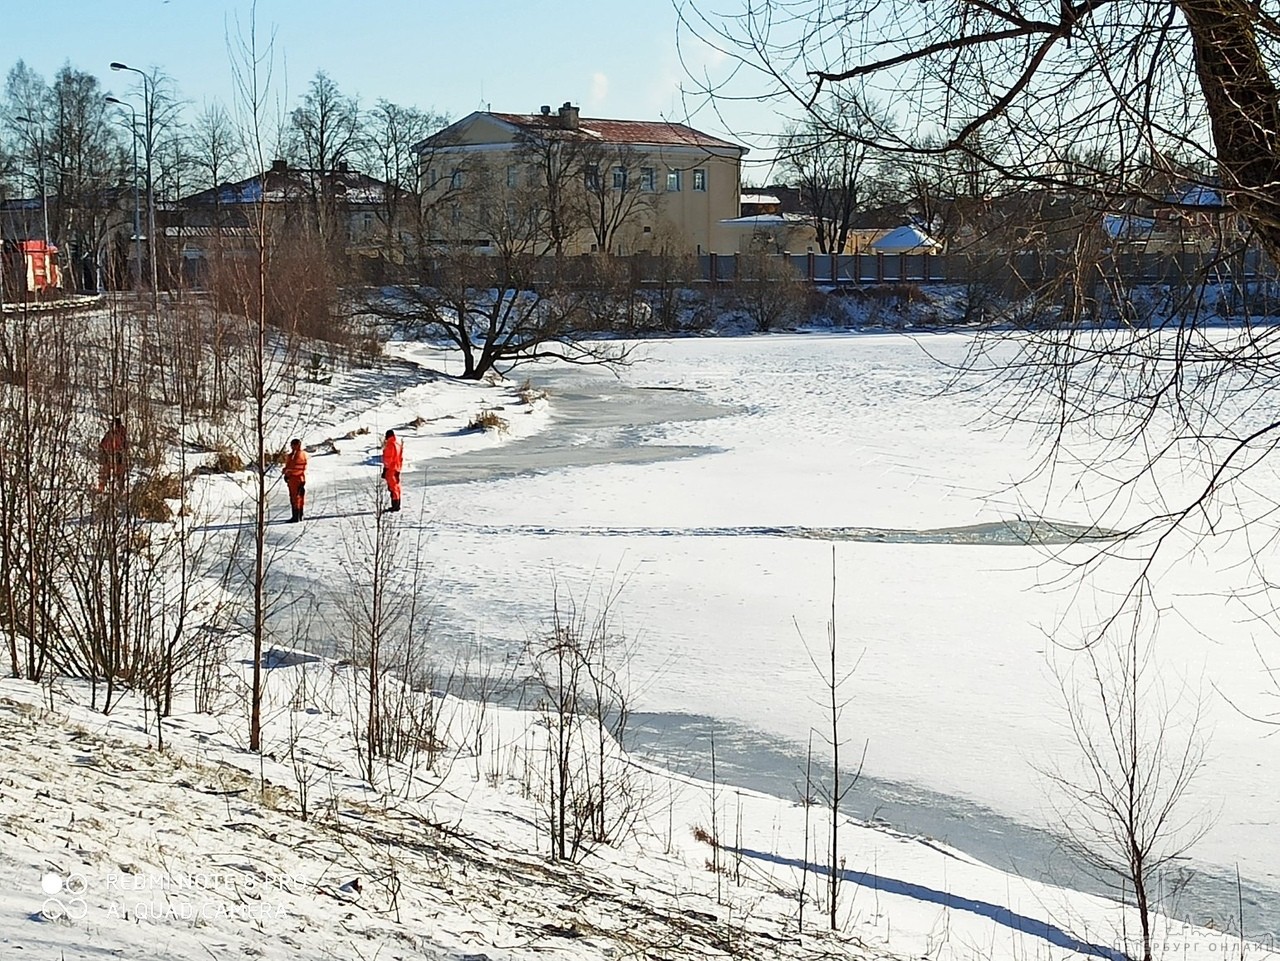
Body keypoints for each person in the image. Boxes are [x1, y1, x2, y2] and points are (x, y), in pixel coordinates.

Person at [98, 416, 127, 493]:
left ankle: (101, 488)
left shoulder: (112, 432)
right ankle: (120, 489)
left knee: (105, 471)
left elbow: (102, 443)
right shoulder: (122, 432)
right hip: (118, 455)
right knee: (119, 473)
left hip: (110, 454)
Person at [283, 438, 308, 523]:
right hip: (301, 478)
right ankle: (300, 515)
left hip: (294, 479)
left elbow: (291, 467)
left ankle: (295, 517)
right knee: (300, 497)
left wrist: (286, 473)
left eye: (292, 445)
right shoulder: (304, 454)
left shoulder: (294, 455)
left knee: (294, 497)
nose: (291, 447)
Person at [381, 428, 403, 512]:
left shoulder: (390, 445)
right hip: (397, 468)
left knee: (392, 487)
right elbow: (401, 458)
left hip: (391, 469)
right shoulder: (398, 444)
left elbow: (388, 458)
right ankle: (397, 504)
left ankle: (395, 505)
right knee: (397, 487)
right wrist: (399, 468)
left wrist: (385, 468)